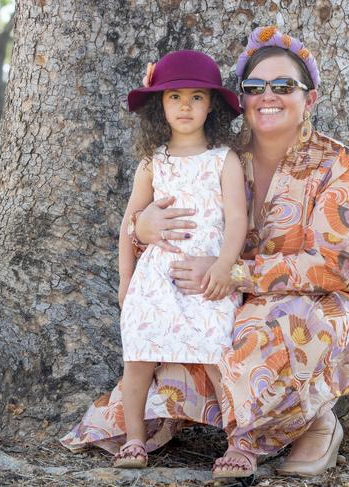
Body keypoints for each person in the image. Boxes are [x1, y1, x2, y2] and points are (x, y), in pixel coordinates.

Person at [61, 27, 349, 480]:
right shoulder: (219, 156)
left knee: (265, 334)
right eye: (255, 88)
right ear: (242, 99)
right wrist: (142, 226)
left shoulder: (336, 164)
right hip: (226, 294)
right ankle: (160, 429)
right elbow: (168, 223)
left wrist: (234, 272)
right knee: (181, 349)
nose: (268, 97)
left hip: (330, 302)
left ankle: (315, 423)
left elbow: (334, 266)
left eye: (284, 87)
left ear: (309, 100)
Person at [106, 49, 246, 468]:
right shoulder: (153, 163)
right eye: (174, 97)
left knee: (220, 356)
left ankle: (238, 442)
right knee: (139, 358)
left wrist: (224, 266)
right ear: (159, 106)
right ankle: (134, 440)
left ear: (212, 105)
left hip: (207, 277)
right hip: (156, 277)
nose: (185, 106)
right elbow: (129, 226)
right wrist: (126, 282)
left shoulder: (225, 159)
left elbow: (238, 218)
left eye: (197, 97)